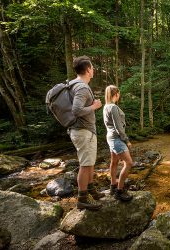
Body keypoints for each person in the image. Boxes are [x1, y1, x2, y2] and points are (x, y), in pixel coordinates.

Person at [69, 56, 105, 210]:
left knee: (89, 162)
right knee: (85, 164)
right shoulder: (82, 87)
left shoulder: (72, 84)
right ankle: (82, 198)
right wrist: (95, 106)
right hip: (83, 131)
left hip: (82, 130)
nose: (94, 70)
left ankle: (91, 190)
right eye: (92, 67)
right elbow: (76, 110)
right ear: (88, 69)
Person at [103, 85, 133, 201]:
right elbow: (119, 127)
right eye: (118, 93)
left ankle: (113, 186)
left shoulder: (106, 106)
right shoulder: (113, 107)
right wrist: (127, 140)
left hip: (110, 137)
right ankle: (119, 191)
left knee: (114, 162)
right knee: (129, 163)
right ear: (116, 94)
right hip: (117, 138)